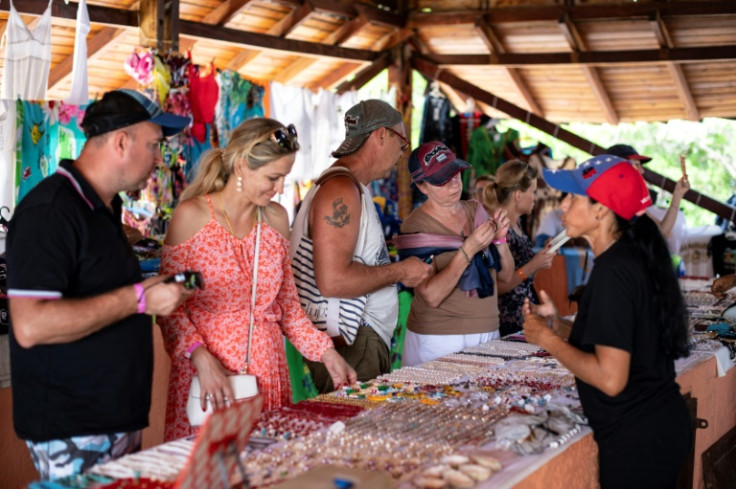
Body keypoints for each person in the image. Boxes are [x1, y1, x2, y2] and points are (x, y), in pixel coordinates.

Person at [6, 89, 194, 480]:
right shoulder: (51, 211)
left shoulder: (104, 207)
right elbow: (30, 325)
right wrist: (140, 299)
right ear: (121, 141)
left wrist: (151, 291)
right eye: (155, 146)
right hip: (74, 424)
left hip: (111, 415)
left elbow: (100, 290)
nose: (160, 161)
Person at [159, 118, 356, 441]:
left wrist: (325, 352)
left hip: (266, 372)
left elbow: (288, 307)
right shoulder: (192, 217)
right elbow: (170, 307)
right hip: (209, 377)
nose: (280, 189)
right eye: (273, 177)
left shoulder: (276, 219)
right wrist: (199, 356)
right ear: (241, 166)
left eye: (284, 178)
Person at [523, 154, 692, 489]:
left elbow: (611, 378)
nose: (563, 207)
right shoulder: (625, 258)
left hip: (640, 441)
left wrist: (549, 341)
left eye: (572, 198)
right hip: (653, 429)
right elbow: (620, 341)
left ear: (601, 210)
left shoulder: (615, 271)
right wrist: (560, 327)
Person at [290, 99, 431, 393]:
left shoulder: (349, 186)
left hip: (357, 343)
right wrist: (400, 271)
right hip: (352, 345)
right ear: (382, 136)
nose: (400, 155)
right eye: (402, 145)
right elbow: (333, 280)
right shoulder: (340, 188)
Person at [394, 141, 514, 366]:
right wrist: (468, 249)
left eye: (456, 174)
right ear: (422, 187)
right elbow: (432, 295)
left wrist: (499, 240)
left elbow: (506, 278)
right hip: (439, 338)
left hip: (488, 330)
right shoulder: (415, 227)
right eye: (442, 180)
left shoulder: (476, 211)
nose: (454, 184)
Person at [481, 160, 554, 336]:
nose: (535, 198)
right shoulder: (498, 227)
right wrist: (533, 265)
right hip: (505, 322)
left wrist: (541, 261)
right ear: (518, 195)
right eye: (533, 192)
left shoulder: (516, 225)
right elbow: (497, 286)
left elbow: (522, 279)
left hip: (522, 318)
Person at [606, 143, 689, 254]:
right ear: (618, 168)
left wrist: (677, 195)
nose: (642, 171)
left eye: (641, 166)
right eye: (636, 165)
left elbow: (662, 231)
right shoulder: (605, 201)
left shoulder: (633, 201)